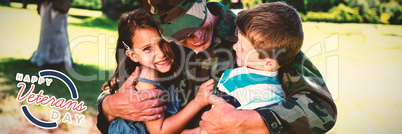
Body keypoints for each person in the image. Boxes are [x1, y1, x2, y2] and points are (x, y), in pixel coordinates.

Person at [97, 0, 337, 133]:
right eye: (182, 34)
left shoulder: (252, 35)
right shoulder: (155, 41)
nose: (197, 37)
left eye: (196, 20)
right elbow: (113, 97)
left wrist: (250, 121)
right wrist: (109, 107)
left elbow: (320, 108)